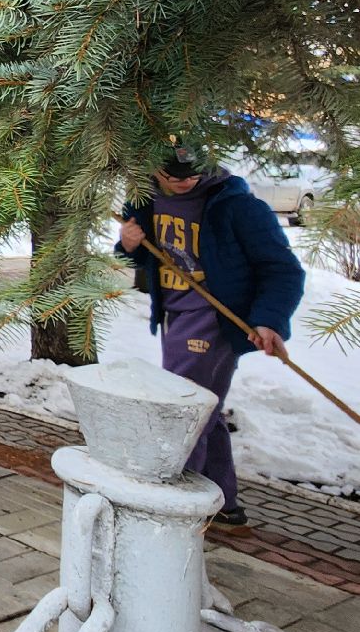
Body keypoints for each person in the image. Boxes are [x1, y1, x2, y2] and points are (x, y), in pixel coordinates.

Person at [117, 142, 303, 531]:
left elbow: (283, 269)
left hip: (214, 319)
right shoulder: (145, 200)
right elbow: (142, 256)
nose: (184, 183)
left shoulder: (238, 206)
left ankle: (177, 515)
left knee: (184, 410)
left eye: (192, 175)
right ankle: (222, 502)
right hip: (174, 317)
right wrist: (129, 245)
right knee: (206, 409)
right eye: (173, 177)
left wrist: (269, 320)